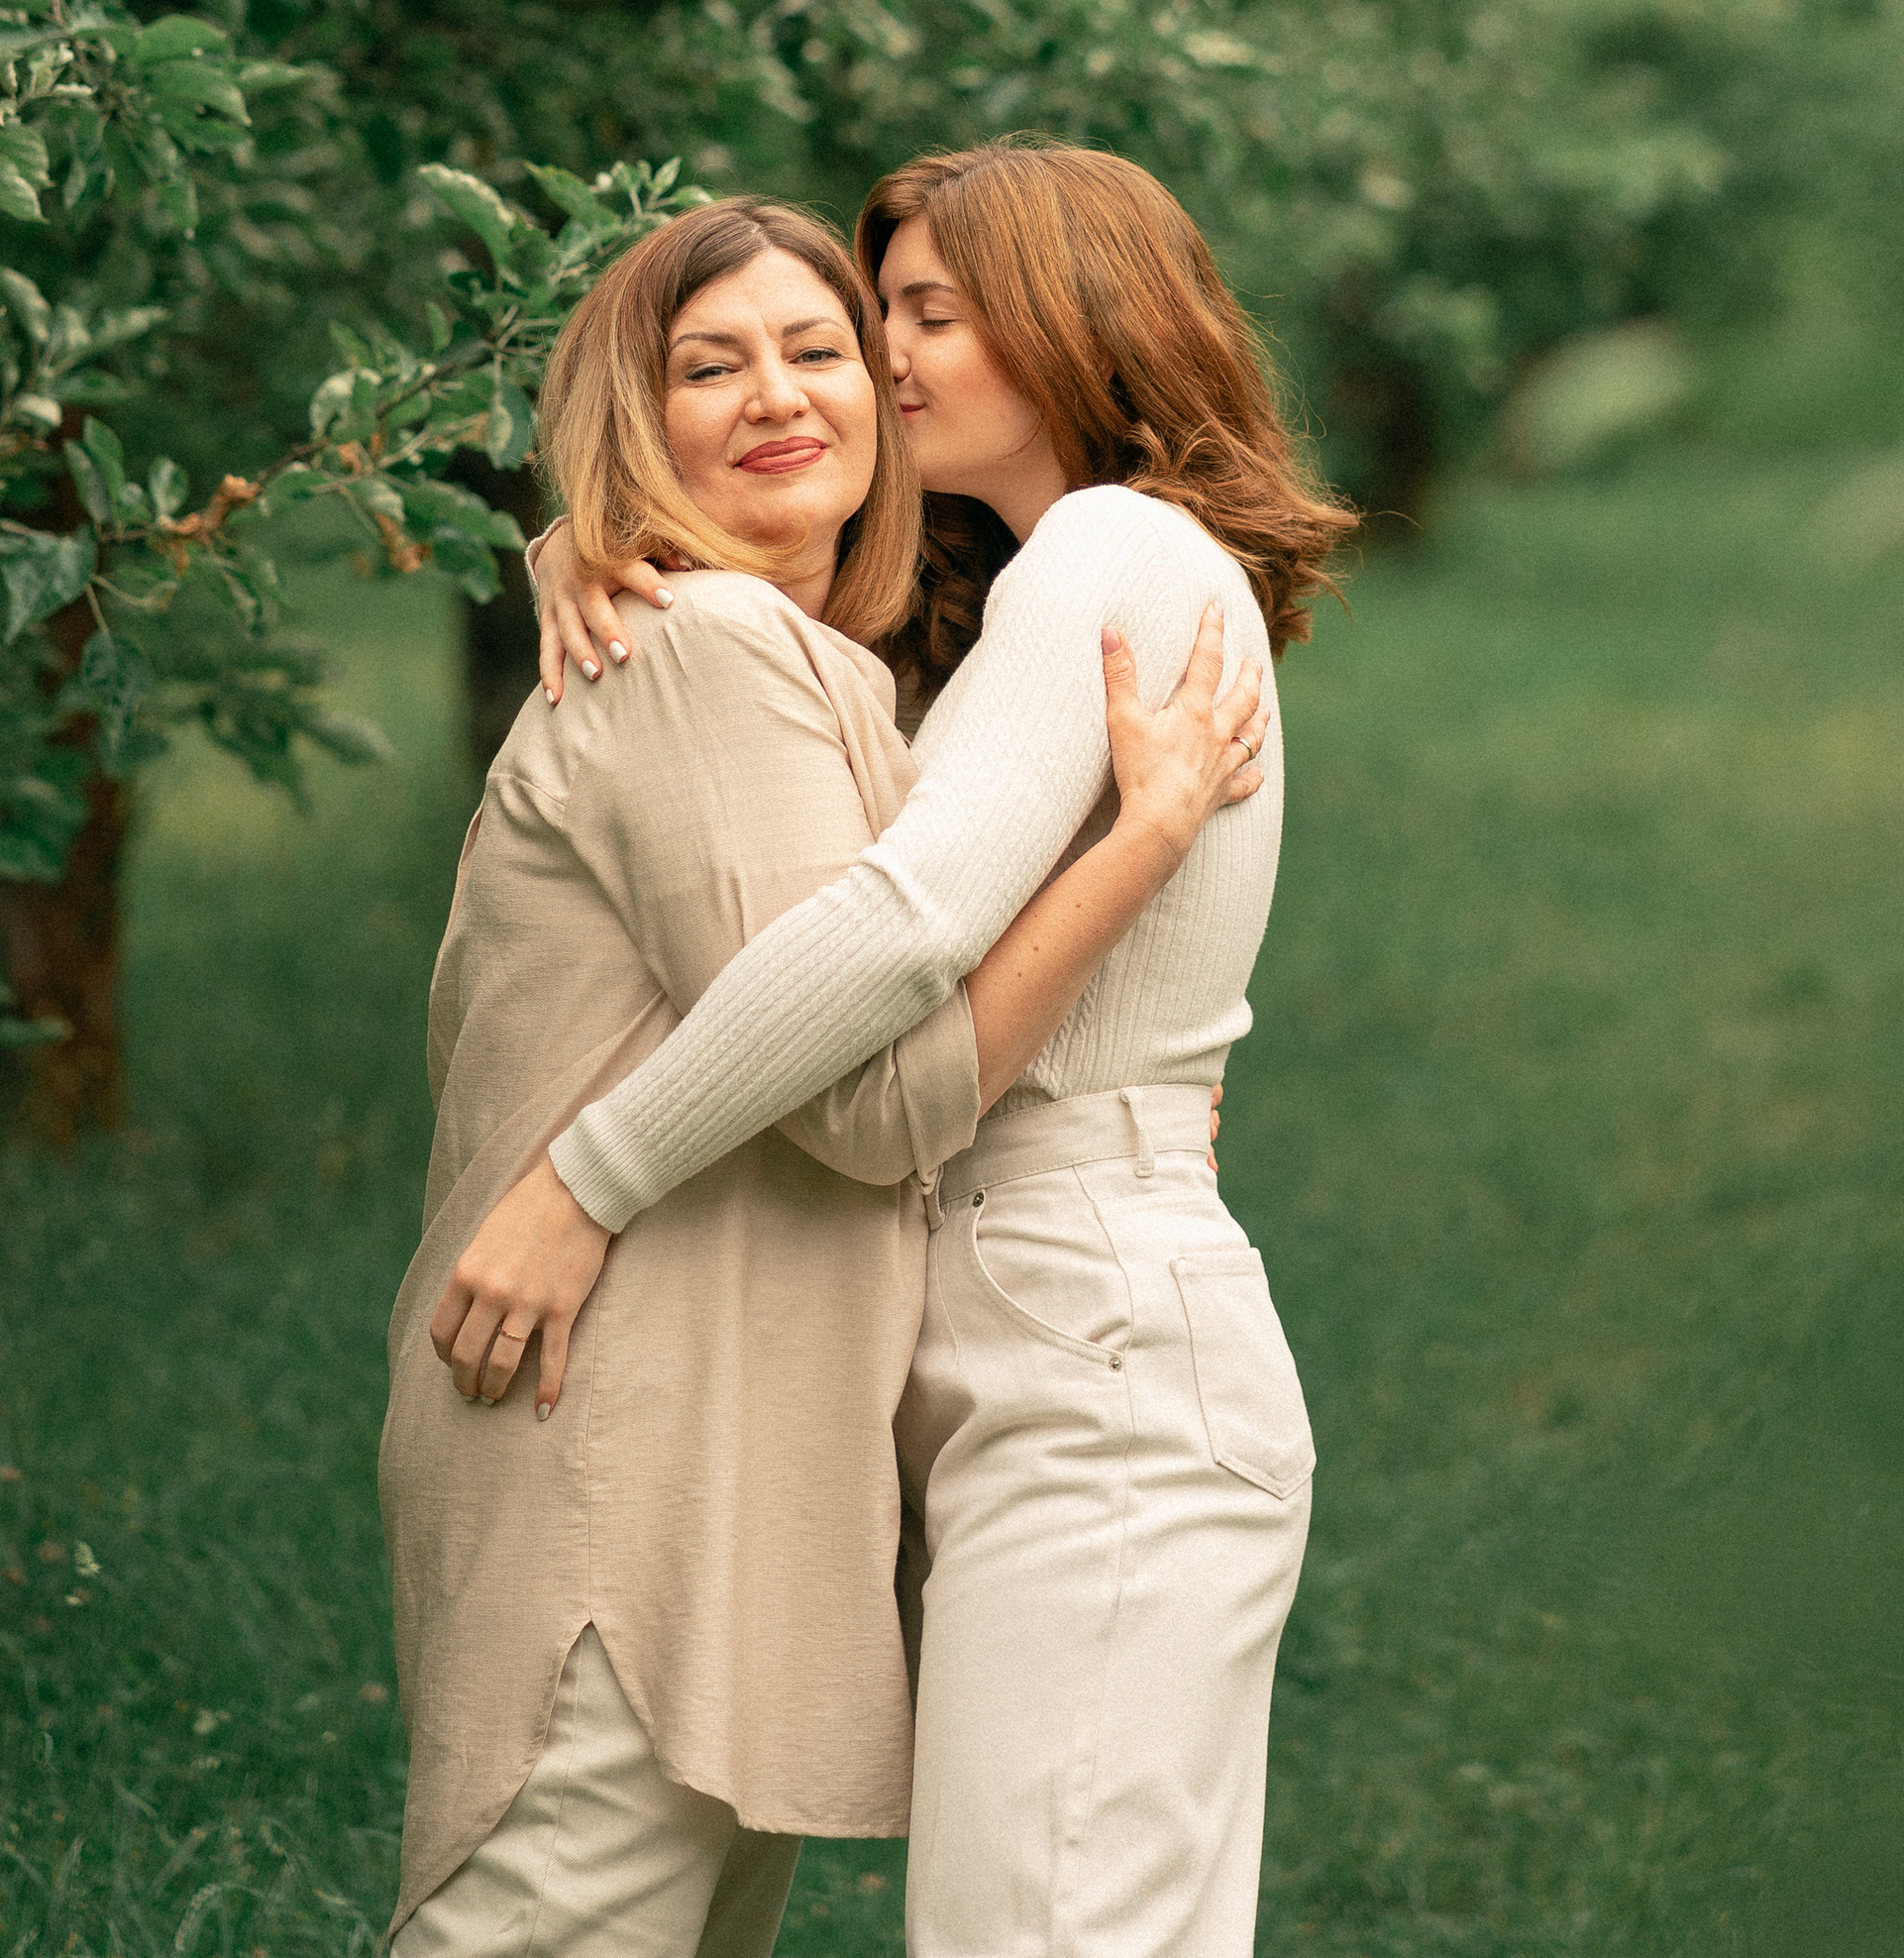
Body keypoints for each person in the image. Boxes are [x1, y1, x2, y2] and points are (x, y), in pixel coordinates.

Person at [443, 140, 1353, 1958]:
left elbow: (897, 927)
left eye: (928, 315)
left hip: (1088, 1317)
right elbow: (780, 681)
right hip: (1011, 1308)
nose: (890, 360)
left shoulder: (1110, 545)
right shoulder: (1000, 590)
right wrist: (591, 539)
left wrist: (589, 1176)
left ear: (1076, 321)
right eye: (893, 318)